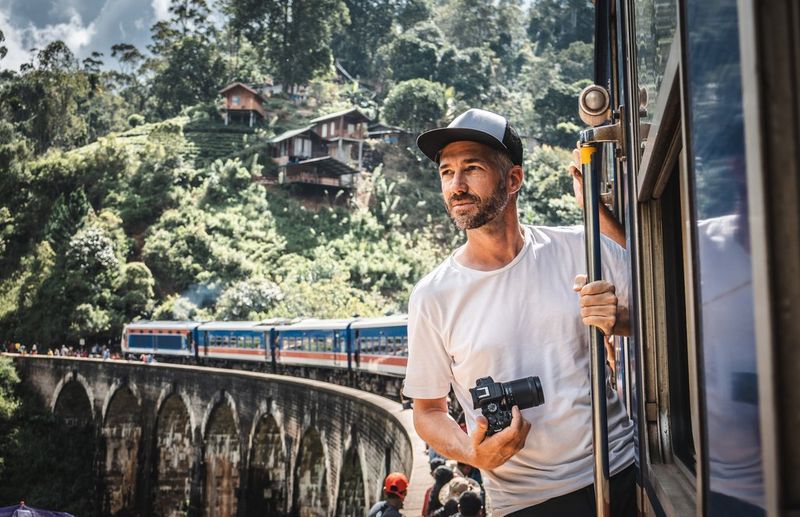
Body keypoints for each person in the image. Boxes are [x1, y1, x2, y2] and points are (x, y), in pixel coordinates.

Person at [403, 108, 635, 516]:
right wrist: (473, 455)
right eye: (446, 172)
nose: (456, 186)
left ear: (513, 180)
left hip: (620, 470)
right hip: (524, 501)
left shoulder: (581, 248)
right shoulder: (433, 296)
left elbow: (666, 316)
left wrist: (620, 318)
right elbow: (428, 411)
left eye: (471, 168)